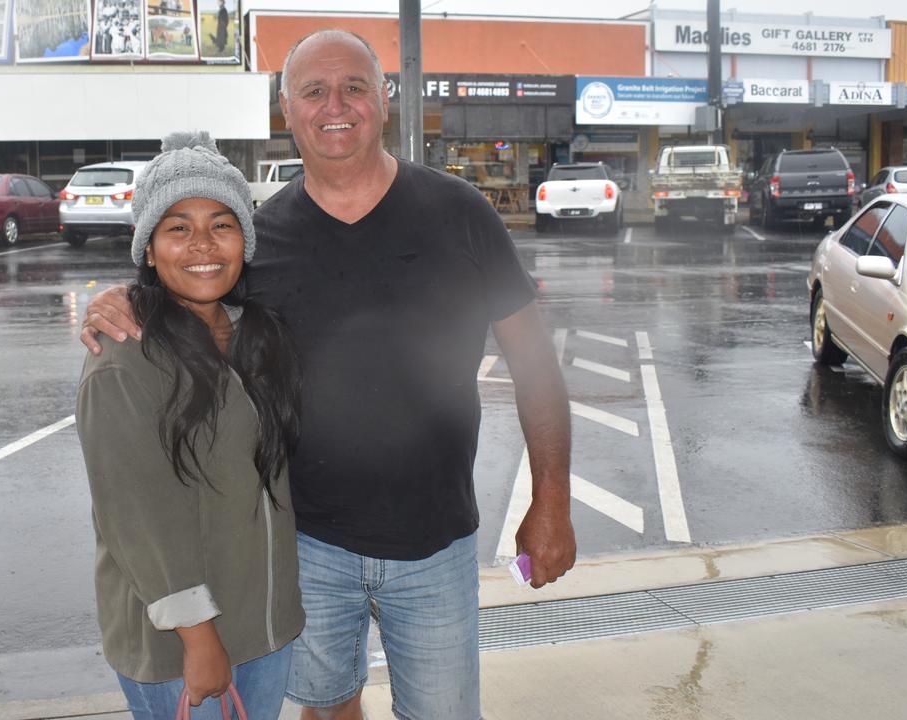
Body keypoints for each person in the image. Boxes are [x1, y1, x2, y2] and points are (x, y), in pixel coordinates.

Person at [83, 30, 575, 720]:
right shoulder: (258, 240)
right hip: (303, 545)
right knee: (325, 711)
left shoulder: (459, 213)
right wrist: (124, 297)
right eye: (313, 90)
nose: (334, 105)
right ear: (288, 109)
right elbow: (185, 282)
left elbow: (535, 366)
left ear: (383, 99)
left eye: (353, 87)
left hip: (436, 540)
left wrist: (550, 500)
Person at [76, 131, 305, 720]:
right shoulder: (125, 354)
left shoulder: (258, 336)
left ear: (245, 241)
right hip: (182, 645)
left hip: (264, 631)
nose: (202, 244)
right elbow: (135, 516)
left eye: (222, 224)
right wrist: (199, 637)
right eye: (178, 227)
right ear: (148, 249)